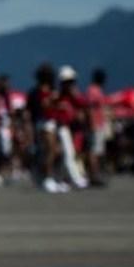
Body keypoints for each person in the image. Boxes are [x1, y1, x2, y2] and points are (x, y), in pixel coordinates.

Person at [54, 66, 89, 189]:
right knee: (68, 153)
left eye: (71, 82)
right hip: (61, 127)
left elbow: (84, 105)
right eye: (67, 82)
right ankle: (76, 178)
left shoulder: (74, 96)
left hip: (73, 128)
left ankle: (61, 179)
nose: (69, 84)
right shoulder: (58, 97)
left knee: (68, 154)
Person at [28, 63, 61, 192]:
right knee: (49, 151)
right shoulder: (39, 92)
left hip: (51, 121)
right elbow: (42, 106)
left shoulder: (50, 90)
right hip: (44, 122)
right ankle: (47, 178)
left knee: (52, 151)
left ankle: (47, 177)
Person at [85, 69, 110, 187]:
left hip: (100, 124)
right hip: (95, 124)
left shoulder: (97, 90)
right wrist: (93, 123)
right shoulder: (93, 90)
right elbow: (90, 108)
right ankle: (93, 176)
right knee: (94, 151)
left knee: (98, 151)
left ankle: (96, 174)